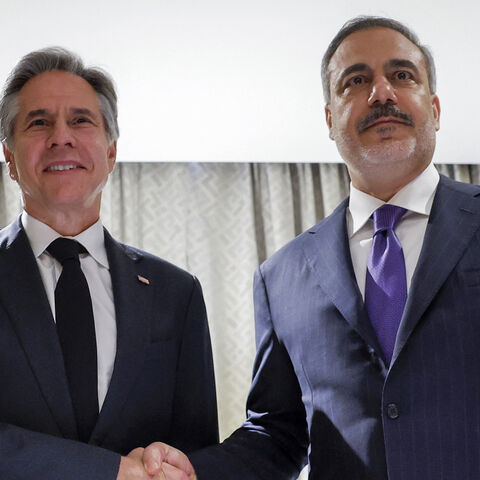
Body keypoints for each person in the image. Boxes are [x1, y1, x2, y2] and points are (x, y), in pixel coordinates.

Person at [158, 15, 480, 480]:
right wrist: (193, 472)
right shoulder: (280, 276)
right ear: (330, 119)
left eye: (402, 75)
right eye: (356, 81)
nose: (381, 93)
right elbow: (278, 434)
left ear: (434, 107)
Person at [0, 47, 217, 480]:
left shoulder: (177, 293)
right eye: (39, 122)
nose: (61, 137)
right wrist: (112, 470)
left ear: (111, 151)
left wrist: (169, 463)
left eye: (81, 120)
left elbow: (196, 449)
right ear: (9, 157)